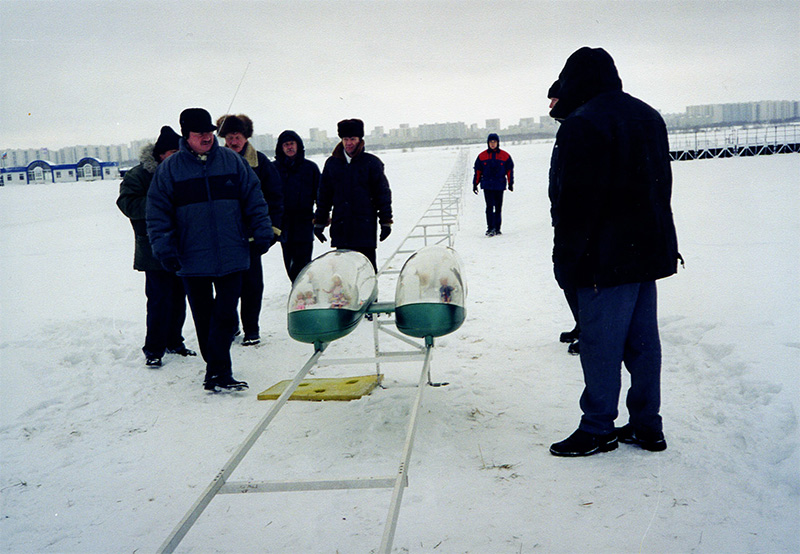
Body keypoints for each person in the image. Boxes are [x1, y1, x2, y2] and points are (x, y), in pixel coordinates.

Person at [547, 47, 681, 457]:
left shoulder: (582, 124)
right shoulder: (648, 115)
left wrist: (566, 258)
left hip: (604, 260)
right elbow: (663, 186)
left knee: (600, 344)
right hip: (648, 251)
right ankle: (646, 425)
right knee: (643, 345)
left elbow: (573, 203)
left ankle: (598, 427)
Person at [147, 108, 274, 392]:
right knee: (204, 318)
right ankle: (217, 371)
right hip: (191, 259)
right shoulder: (170, 170)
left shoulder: (232, 161)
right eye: (199, 133)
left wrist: (262, 231)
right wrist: (165, 248)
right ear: (186, 136)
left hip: (233, 253)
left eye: (208, 131)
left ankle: (218, 370)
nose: (206, 137)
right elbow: (157, 214)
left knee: (226, 315)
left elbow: (254, 198)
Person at [117, 126, 197, 368]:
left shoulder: (182, 171)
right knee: (159, 300)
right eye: (173, 151)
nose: (177, 156)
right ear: (161, 154)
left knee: (178, 298)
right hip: (152, 249)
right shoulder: (138, 175)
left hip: (181, 246)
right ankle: (153, 348)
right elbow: (127, 204)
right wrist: (159, 204)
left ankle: (175, 341)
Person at [216, 114, 284, 346]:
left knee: (253, 286)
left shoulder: (261, 163)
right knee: (227, 286)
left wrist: (272, 229)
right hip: (224, 237)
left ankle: (251, 329)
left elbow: (275, 198)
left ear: (246, 137)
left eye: (238, 136)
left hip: (253, 236)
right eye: (229, 137)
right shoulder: (215, 161)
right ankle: (231, 326)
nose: (234, 141)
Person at [314, 118, 393, 272]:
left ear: (359, 140)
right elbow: (324, 195)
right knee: (343, 273)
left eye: (352, 139)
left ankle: (371, 297)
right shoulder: (332, 164)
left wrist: (385, 221)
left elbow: (382, 194)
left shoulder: (372, 163)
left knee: (367, 271)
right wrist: (320, 221)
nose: (349, 143)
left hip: (365, 228)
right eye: (345, 139)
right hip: (341, 228)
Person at [547, 80, 581, 355]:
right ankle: (583, 324)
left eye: (554, 100)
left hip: (576, 222)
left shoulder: (580, 128)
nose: (549, 105)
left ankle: (591, 330)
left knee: (575, 276)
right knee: (564, 274)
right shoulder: (566, 130)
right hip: (564, 220)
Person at [274, 130, 320, 282]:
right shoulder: (273, 169)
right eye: (286, 145)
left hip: (305, 222)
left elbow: (320, 195)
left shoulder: (310, 168)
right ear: (281, 148)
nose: (289, 147)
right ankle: (298, 291)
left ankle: (305, 292)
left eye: (292, 144)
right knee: (289, 262)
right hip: (284, 224)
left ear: (298, 145)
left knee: (303, 262)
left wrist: (320, 218)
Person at [473, 133, 514, 236]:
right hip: (487, 185)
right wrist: (475, 184)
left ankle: (497, 228)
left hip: (499, 185)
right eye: (491, 142)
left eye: (494, 142)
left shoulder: (505, 156)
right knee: (489, 207)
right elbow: (478, 171)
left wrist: (510, 183)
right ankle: (490, 228)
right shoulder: (482, 156)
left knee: (498, 207)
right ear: (488, 143)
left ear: (498, 143)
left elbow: (509, 170)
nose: (492, 144)